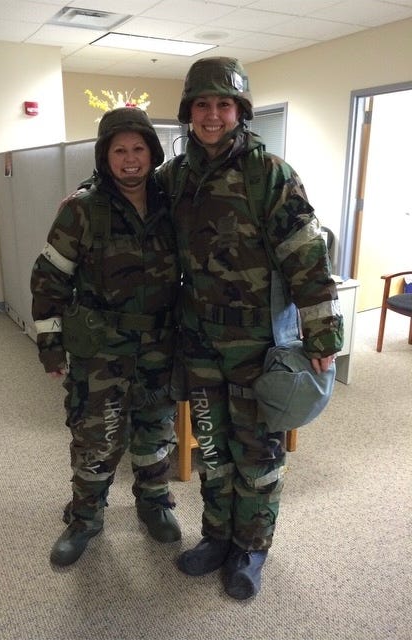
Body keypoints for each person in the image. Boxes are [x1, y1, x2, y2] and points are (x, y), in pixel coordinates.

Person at [157, 57, 344, 600]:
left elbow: (308, 261)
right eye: (202, 104)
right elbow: (128, 198)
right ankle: (215, 537)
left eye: (224, 104)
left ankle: (251, 548)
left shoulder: (272, 176)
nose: (213, 114)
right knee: (213, 450)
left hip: (257, 347)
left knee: (257, 453)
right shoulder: (176, 178)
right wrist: (81, 195)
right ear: (189, 111)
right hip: (199, 343)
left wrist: (322, 339)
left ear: (240, 111)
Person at [30, 107, 182, 567]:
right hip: (100, 348)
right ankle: (85, 518)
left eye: (139, 148)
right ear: (105, 155)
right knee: (96, 436)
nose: (130, 159)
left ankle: (154, 503)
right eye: (120, 150)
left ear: (152, 152)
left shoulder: (171, 203)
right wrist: (51, 345)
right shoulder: (82, 209)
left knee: (155, 431)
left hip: (158, 344)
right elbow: (49, 278)